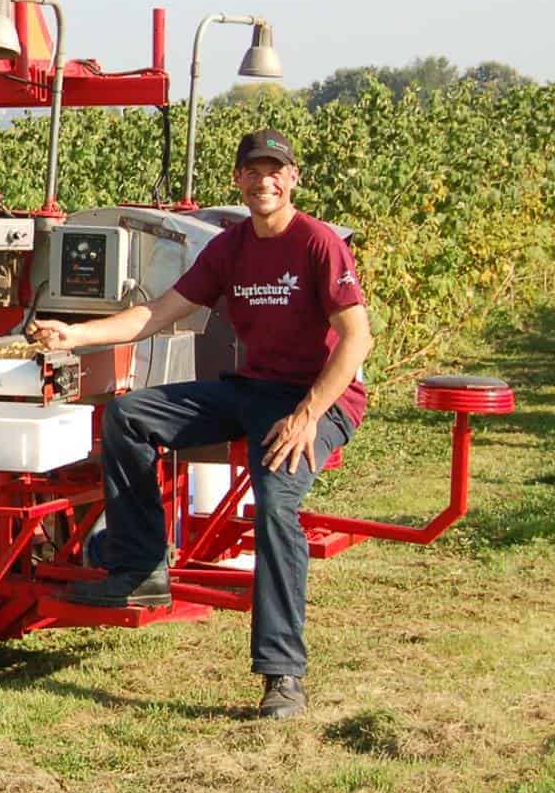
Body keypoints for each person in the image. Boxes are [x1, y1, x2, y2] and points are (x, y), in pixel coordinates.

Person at [28, 129, 371, 719]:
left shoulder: (317, 244)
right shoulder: (231, 248)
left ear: (292, 180)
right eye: (253, 171)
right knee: (131, 417)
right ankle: (139, 568)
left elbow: (356, 337)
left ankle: (282, 674)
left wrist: (308, 415)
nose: (264, 181)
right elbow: (158, 312)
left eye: (275, 171)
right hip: (252, 390)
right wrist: (75, 335)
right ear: (238, 180)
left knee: (275, 508)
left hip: (321, 399)